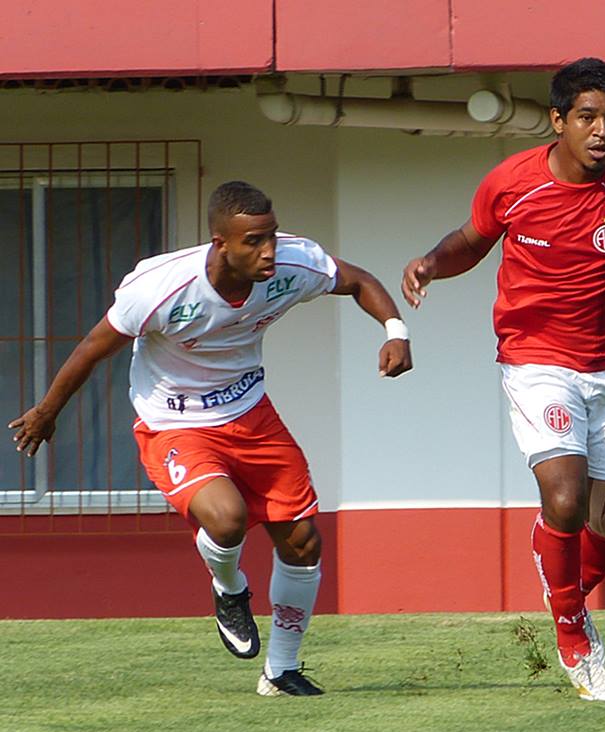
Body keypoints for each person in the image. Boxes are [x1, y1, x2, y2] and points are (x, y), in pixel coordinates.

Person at [9, 181, 412, 697]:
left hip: (251, 413)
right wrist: (47, 412)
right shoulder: (161, 289)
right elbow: (92, 347)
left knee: (303, 541)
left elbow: (357, 280)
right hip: (173, 422)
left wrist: (395, 331)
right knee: (226, 518)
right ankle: (229, 587)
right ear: (221, 243)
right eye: (253, 241)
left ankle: (281, 671)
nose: (268, 251)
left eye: (271, 236)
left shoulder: (293, 263)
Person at [402, 58, 605, 701]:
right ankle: (575, 638)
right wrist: (431, 262)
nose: (602, 131)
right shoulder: (513, 183)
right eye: (587, 117)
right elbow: (471, 241)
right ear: (557, 121)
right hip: (537, 360)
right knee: (566, 498)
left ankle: (562, 590)